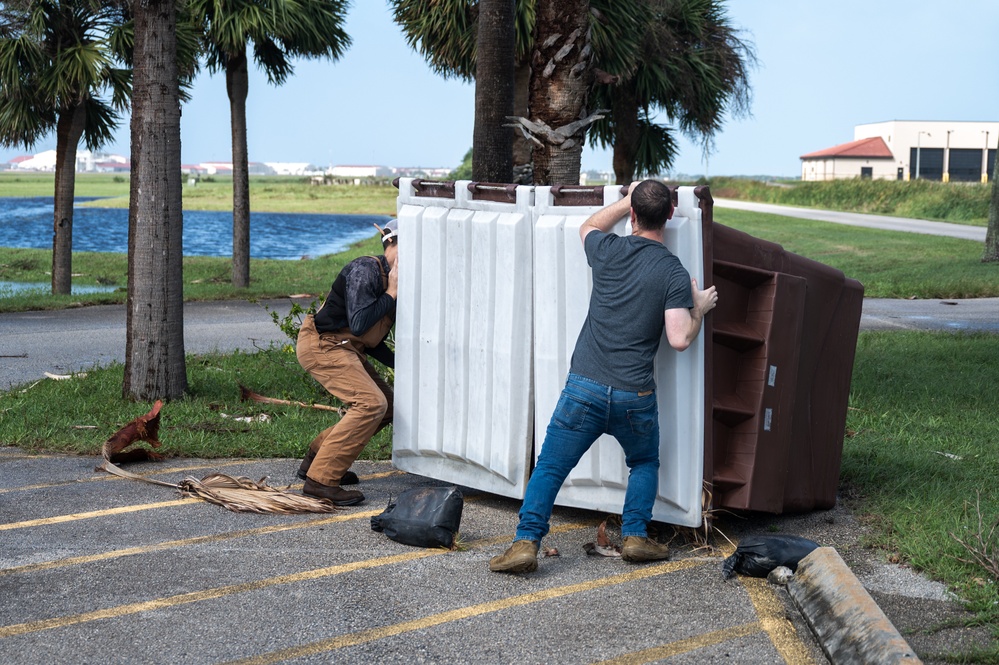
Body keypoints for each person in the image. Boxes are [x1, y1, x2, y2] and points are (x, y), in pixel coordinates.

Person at [490, 180, 718, 573]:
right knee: (644, 461)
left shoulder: (608, 249)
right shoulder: (673, 271)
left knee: (549, 468)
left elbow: (588, 225)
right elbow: (679, 339)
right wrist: (699, 308)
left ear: (632, 215)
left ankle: (526, 543)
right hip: (635, 396)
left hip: (585, 388)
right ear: (668, 216)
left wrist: (626, 199)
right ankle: (634, 536)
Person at [295, 219, 399, 506]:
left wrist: (402, 366)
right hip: (323, 345)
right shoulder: (365, 270)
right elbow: (360, 322)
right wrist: (391, 293)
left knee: (387, 407)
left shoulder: (395, 280)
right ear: (389, 243)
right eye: (405, 246)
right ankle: (322, 481)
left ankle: (316, 459)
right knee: (371, 404)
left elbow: (371, 340)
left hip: (346, 347)